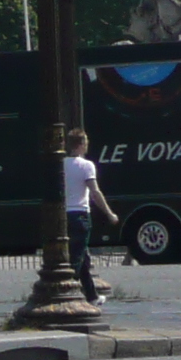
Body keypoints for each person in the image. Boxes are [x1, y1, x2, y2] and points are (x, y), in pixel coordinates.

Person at [63, 128, 115, 302]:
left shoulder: (61, 164)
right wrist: (109, 213)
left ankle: (92, 296)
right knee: (76, 260)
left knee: (82, 257)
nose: (87, 146)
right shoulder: (86, 166)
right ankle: (69, 294)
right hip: (80, 215)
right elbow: (95, 192)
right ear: (80, 145)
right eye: (85, 143)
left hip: (64, 216)